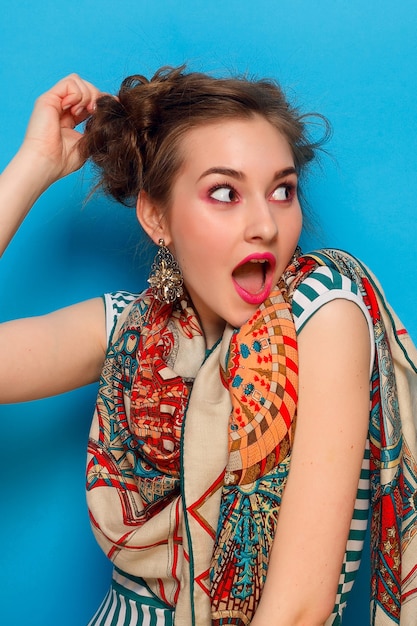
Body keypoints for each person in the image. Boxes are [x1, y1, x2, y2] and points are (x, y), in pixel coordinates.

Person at [1, 67, 416, 626]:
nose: (265, 224)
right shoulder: (128, 331)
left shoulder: (323, 315)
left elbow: (297, 610)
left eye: (282, 190)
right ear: (156, 217)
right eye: (225, 192)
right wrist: (33, 167)